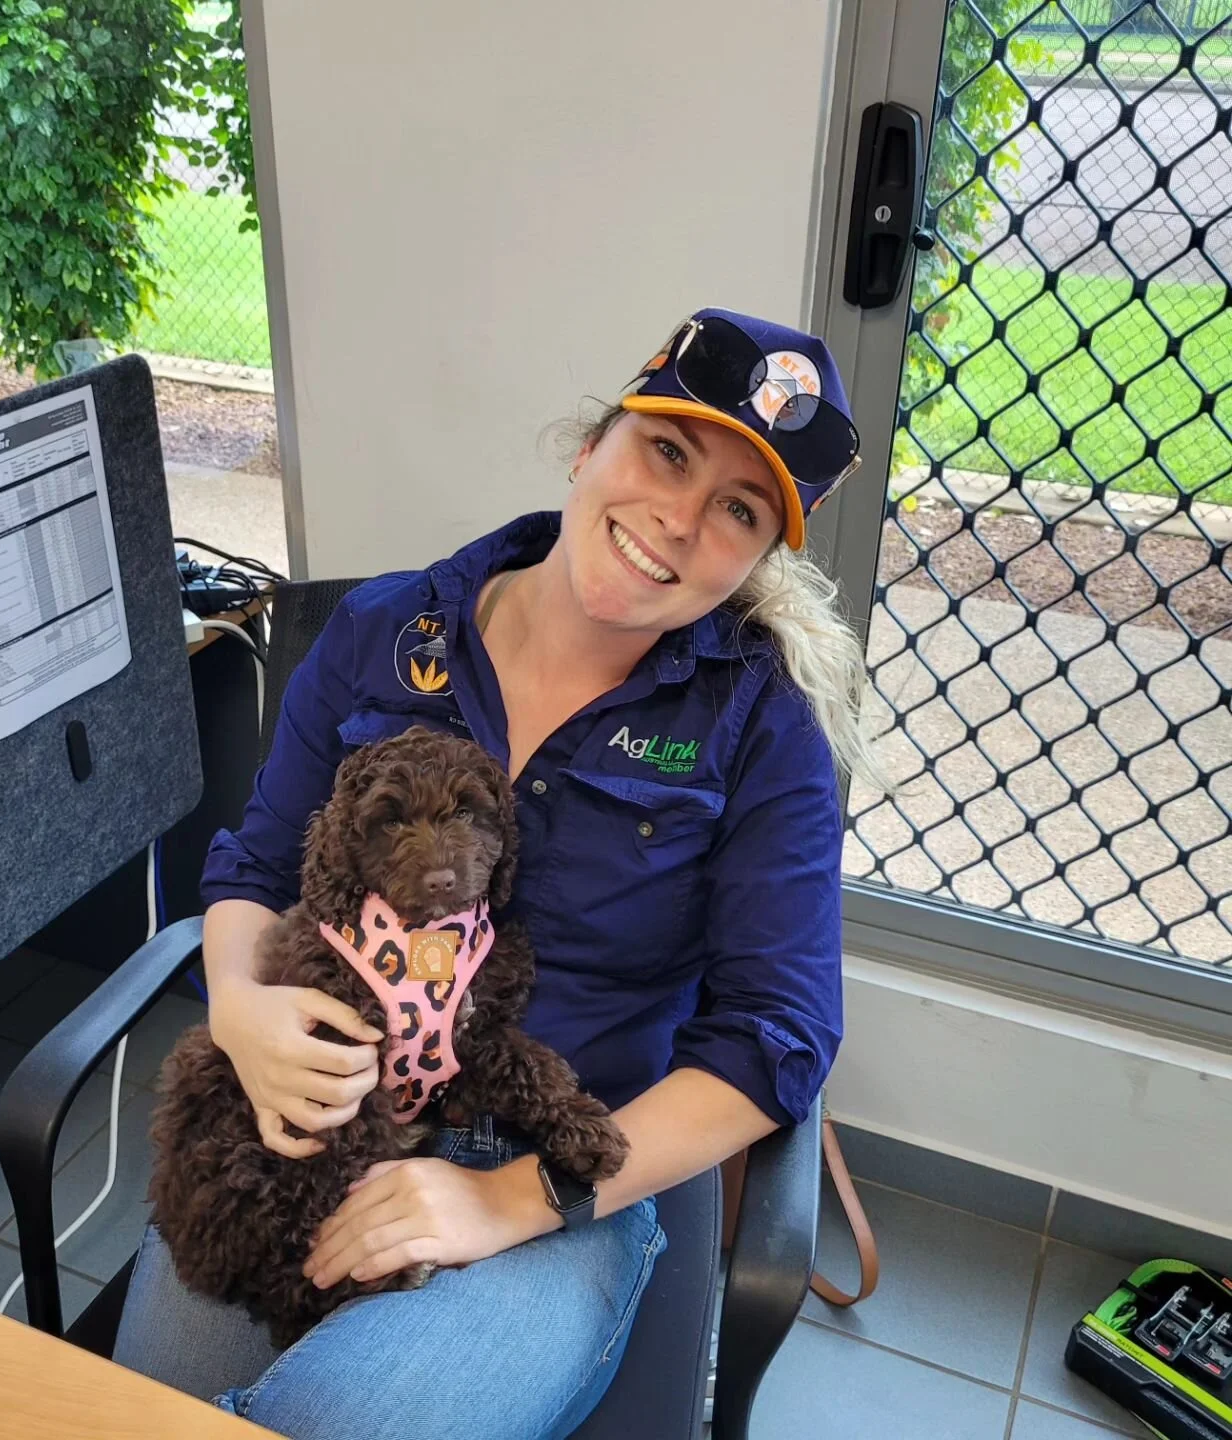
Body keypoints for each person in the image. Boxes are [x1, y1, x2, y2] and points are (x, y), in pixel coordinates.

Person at [113, 308, 882, 1439]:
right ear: (592, 446)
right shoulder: (384, 630)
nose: (677, 516)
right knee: (122, 1410)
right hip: (315, 1117)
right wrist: (239, 1008)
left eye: (738, 509)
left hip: (565, 1164)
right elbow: (255, 863)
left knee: (327, 1424)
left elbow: (779, 1038)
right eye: (667, 452)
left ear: (758, 558)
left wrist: (506, 1201)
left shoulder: (761, 729)